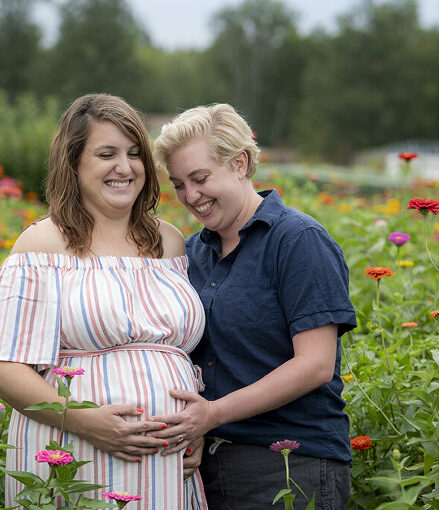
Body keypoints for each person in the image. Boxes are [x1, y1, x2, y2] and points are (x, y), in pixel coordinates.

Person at [0, 94, 208, 509]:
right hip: (74, 448)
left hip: (168, 459)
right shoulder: (43, 243)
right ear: (74, 163)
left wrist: (197, 426)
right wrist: (84, 421)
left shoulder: (169, 241)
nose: (125, 167)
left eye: (135, 154)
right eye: (106, 153)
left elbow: (186, 356)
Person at [151, 104, 357, 509]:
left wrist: (213, 413)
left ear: (240, 163)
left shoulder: (297, 240)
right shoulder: (190, 253)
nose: (191, 197)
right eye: (178, 184)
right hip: (207, 465)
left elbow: (314, 364)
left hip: (289, 465)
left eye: (200, 178)